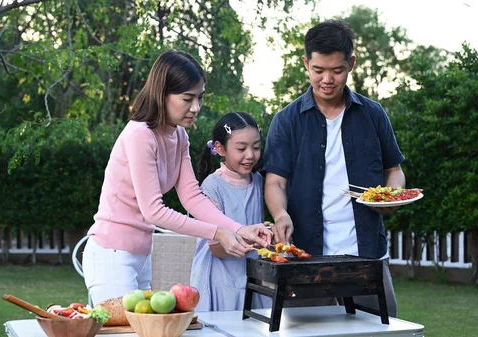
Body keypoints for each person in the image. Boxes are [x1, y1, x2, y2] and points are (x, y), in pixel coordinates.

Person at [82, 50, 272, 305]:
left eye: (200, 98)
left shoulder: (179, 136)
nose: (196, 107)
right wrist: (217, 232)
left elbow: (192, 197)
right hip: (111, 254)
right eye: (187, 98)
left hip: (142, 254)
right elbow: (154, 212)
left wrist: (238, 229)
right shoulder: (140, 134)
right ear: (162, 94)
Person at [262, 20, 404, 317]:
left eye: (337, 70)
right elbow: (275, 182)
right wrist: (280, 214)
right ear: (306, 63)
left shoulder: (373, 114)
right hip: (307, 257)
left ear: (351, 64)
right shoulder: (287, 120)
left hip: (366, 253)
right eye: (318, 70)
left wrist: (393, 196)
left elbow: (394, 169)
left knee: (379, 331)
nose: (327, 79)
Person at [190, 112, 273, 312]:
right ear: (220, 148)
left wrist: (271, 231)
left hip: (250, 274)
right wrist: (259, 239)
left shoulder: (259, 181)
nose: (250, 155)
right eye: (241, 148)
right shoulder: (213, 186)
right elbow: (216, 248)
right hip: (218, 279)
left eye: (256, 147)